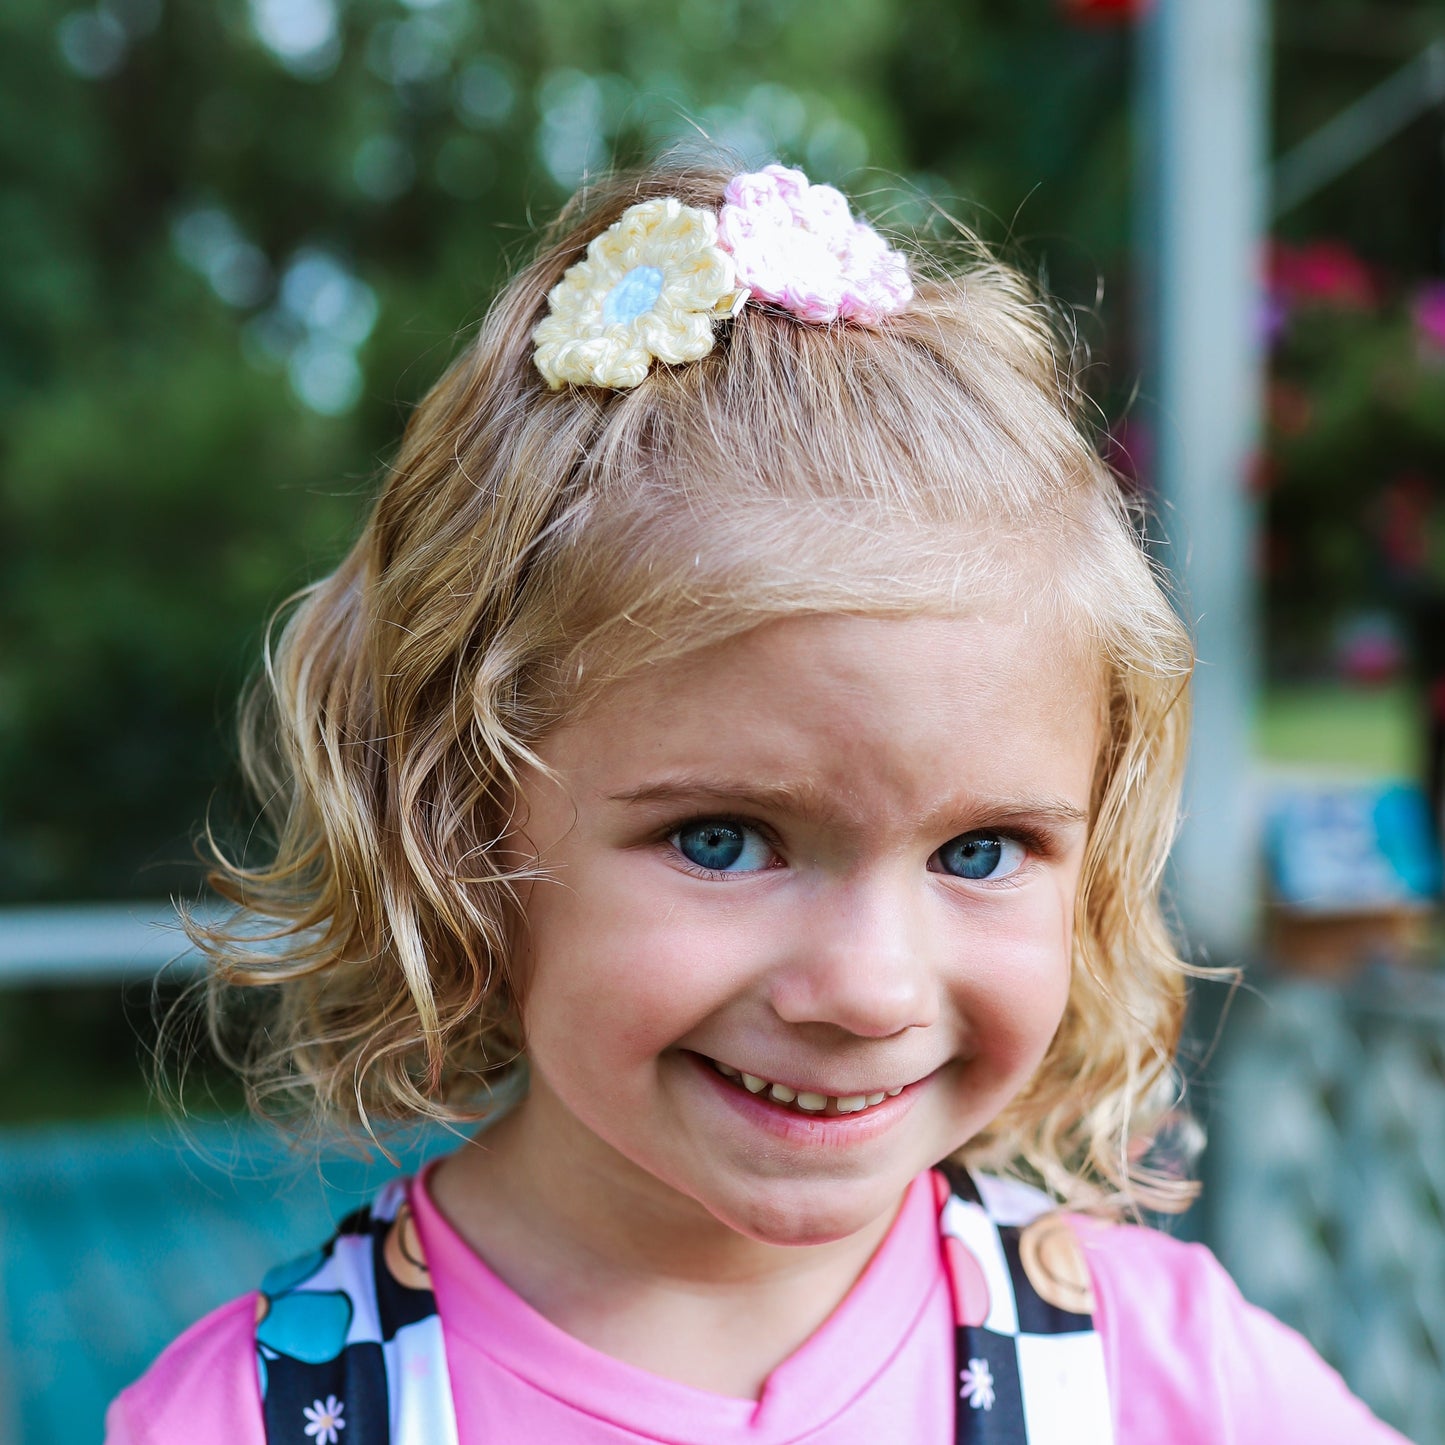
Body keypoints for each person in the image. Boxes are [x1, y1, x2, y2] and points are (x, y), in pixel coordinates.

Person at [106, 157, 1411, 1444]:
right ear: (460, 823)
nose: (867, 988)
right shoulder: (253, 1422)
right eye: (722, 841)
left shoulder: (1164, 1381)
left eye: (978, 849)